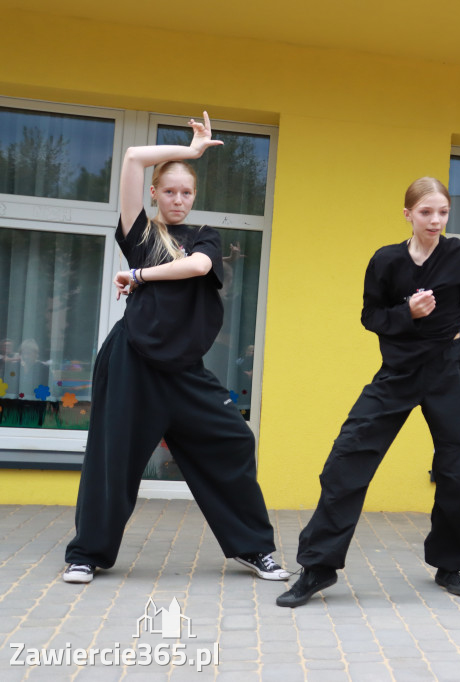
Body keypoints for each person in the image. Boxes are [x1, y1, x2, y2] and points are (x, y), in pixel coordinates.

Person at [63, 112, 287, 584]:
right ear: (154, 195)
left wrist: (140, 275)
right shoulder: (140, 234)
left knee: (234, 440)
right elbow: (131, 158)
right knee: (113, 457)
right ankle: (87, 553)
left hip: (184, 371)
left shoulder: (203, 237)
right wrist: (189, 152)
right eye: (170, 191)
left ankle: (255, 549)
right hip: (132, 363)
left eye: (186, 192)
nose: (179, 199)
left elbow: (199, 267)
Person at [277, 177, 460, 608]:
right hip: (398, 372)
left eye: (442, 212)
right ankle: (317, 567)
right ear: (407, 214)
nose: (436, 220)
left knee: (456, 471)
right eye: (426, 212)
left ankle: (451, 563)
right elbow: (370, 316)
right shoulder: (385, 261)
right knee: (347, 458)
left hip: (446, 371)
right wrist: (408, 312)